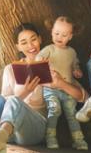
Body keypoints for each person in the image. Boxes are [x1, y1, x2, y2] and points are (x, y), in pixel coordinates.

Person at [0, 23, 88, 153]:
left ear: (39, 39)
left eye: (33, 39)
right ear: (18, 47)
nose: (30, 46)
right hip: (6, 131)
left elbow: (83, 97)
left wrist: (61, 83)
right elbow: (4, 104)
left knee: (13, 100)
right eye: (24, 42)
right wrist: (25, 91)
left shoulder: (54, 66)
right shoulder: (10, 70)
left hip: (33, 130)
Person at [36, 16, 88, 150]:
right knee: (54, 109)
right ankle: (50, 137)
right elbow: (38, 58)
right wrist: (42, 60)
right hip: (51, 88)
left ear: (70, 36)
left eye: (64, 35)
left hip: (67, 88)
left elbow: (75, 65)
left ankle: (78, 140)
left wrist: (77, 70)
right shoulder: (49, 49)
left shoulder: (72, 52)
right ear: (51, 32)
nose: (59, 37)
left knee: (72, 113)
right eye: (56, 33)